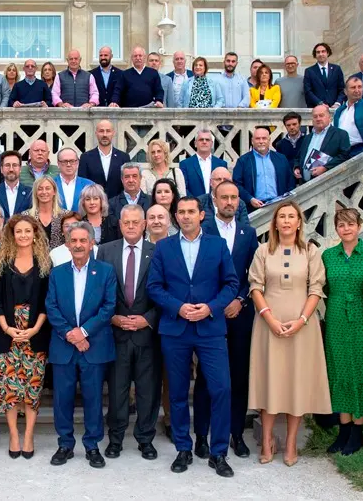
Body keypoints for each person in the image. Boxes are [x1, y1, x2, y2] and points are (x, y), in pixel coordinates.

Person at [147, 197, 239, 478]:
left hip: (210, 328)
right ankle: (183, 449)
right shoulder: (164, 247)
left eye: (191, 212)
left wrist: (210, 308)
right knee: (176, 392)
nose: (186, 216)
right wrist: (178, 307)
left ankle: (219, 452)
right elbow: (154, 286)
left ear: (202, 215)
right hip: (176, 328)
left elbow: (231, 284)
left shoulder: (217, 245)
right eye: (181, 213)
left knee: (221, 388)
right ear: (176, 217)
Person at [248, 202, 331, 467]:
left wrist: (303, 320)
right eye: (281, 216)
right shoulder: (263, 251)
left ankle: (292, 441)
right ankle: (269, 438)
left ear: (298, 223)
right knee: (269, 379)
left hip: (301, 327)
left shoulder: (310, 251)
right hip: (268, 324)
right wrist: (269, 318)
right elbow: (255, 287)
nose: (286, 221)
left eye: (291, 217)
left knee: (296, 381)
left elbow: (316, 289)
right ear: (275, 223)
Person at [194, 180, 260, 459]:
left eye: (234, 197)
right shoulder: (203, 229)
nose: (230, 202)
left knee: (238, 375)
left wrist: (240, 299)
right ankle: (201, 435)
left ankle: (235, 433)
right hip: (210, 313)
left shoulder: (248, 232)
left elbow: (253, 272)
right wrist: (216, 304)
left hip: (239, 313)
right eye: (224, 197)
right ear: (215, 200)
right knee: (206, 378)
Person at [46, 221, 117, 468]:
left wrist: (84, 332)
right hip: (64, 346)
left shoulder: (106, 271)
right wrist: (70, 334)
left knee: (93, 398)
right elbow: (51, 307)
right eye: (73, 241)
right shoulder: (57, 273)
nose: (78, 245)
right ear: (67, 244)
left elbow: (109, 307)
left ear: (91, 243)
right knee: (62, 399)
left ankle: (92, 445)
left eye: (82, 240)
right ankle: (65, 444)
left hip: (93, 345)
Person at [98, 204, 161, 461]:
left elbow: (166, 292)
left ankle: (145, 439)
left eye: (136, 222)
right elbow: (97, 289)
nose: (131, 226)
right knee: (117, 390)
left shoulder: (158, 252)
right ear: (120, 224)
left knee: (148, 391)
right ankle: (115, 439)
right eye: (127, 222)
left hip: (147, 335)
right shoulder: (105, 251)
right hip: (117, 334)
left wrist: (147, 320)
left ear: (144, 224)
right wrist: (112, 317)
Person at [0, 215, 53, 459]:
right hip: (7, 333)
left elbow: (49, 301)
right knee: (9, 389)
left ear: (35, 234)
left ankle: (28, 435)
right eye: (19, 231)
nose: (23, 235)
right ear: (12, 234)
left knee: (31, 388)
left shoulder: (44, 263)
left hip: (35, 333)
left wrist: (35, 328)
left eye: (28, 231)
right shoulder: (1, 262)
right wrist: (7, 328)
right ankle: (14, 435)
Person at [320, 208, 363, 457]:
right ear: (336, 229)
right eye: (341, 225)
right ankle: (343, 429)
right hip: (335, 319)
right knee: (338, 370)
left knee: (362, 370)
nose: (346, 229)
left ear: (359, 226)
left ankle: (358, 429)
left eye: (351, 224)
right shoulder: (328, 256)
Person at [233, 127, 296, 209]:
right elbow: (236, 184)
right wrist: (250, 199)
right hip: (253, 208)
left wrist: (286, 201)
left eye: (264, 138)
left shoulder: (281, 159)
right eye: (257, 139)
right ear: (252, 141)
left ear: (269, 140)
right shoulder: (243, 161)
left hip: (279, 206)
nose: (261, 141)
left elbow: (290, 182)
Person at [294, 105, 352, 184]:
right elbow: (299, 157)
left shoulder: (340, 134)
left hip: (327, 183)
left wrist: (325, 168)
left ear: (329, 117)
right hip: (305, 184)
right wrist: (297, 167)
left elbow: (344, 156)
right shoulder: (307, 137)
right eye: (315, 116)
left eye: (321, 115)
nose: (318, 119)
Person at [78, 119, 131, 199]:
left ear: (113, 133)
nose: (105, 134)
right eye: (101, 131)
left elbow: (126, 184)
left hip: (118, 207)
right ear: (96, 133)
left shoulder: (124, 157)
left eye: (108, 131)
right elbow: (83, 185)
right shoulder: (85, 157)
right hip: (94, 205)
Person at [179, 128, 227, 197]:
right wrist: (195, 203)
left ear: (211, 143)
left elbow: (224, 187)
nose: (204, 142)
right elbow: (183, 188)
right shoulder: (185, 164)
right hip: (193, 205)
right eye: (201, 139)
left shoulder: (221, 164)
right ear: (195, 143)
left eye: (207, 140)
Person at [333, 76, 363, 156]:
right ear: (345, 91)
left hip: (359, 151)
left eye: (360, 87)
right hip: (341, 153)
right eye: (353, 87)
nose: (357, 90)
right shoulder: (339, 111)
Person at [0, 150, 32, 217]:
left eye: (15, 165)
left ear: (20, 169)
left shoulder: (30, 193)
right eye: (7, 165)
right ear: (1, 169)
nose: (11, 169)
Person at [27, 176, 66, 248]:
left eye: (47, 188)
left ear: (54, 191)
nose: (44, 192)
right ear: (36, 193)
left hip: (60, 258)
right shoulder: (26, 217)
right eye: (40, 189)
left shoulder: (65, 216)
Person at [304, 42, 346, 108]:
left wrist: (337, 103)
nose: (321, 54)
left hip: (334, 108)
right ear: (315, 55)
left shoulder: (336, 69)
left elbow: (342, 89)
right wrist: (319, 103)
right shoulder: (309, 71)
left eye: (323, 51)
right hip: (317, 108)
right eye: (318, 52)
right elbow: (308, 91)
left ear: (328, 53)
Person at [54, 147, 93, 212]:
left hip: (83, 221)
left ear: (77, 163)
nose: (68, 165)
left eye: (72, 161)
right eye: (64, 161)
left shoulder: (89, 185)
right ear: (58, 163)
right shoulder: (50, 184)